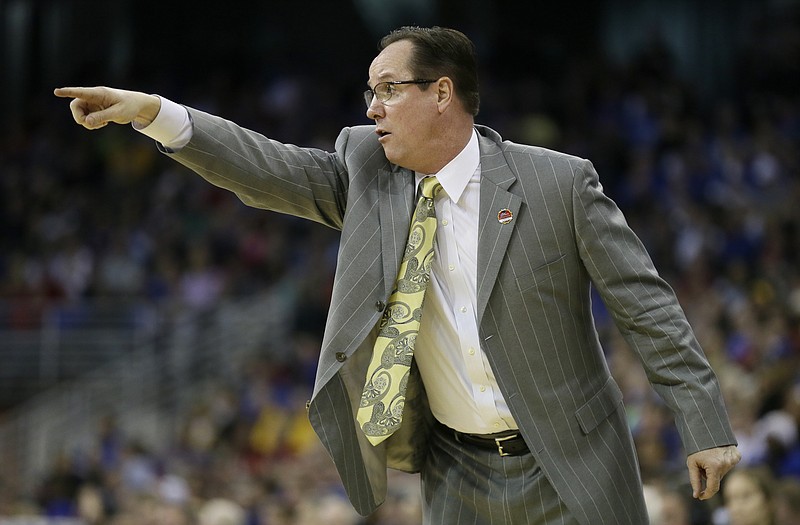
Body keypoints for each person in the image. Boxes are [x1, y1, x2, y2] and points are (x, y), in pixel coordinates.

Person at [55, 25, 741, 525]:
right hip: (459, 472)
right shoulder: (367, 170)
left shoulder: (558, 183)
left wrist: (703, 420)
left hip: (573, 461)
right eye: (369, 92)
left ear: (442, 93)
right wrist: (153, 113)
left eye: (388, 90)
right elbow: (265, 168)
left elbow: (646, 305)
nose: (372, 108)